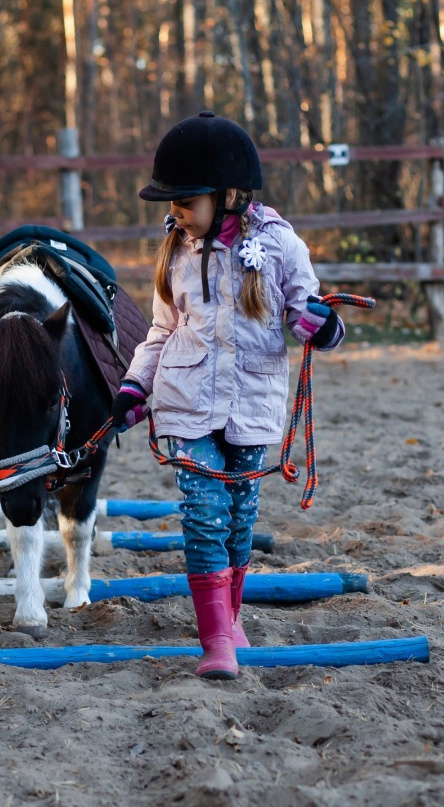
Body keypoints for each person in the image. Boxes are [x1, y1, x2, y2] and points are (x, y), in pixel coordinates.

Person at [111, 111, 345, 681]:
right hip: (186, 400)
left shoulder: (282, 245)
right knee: (202, 515)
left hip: (254, 403)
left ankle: (232, 616)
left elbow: (303, 310)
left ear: (228, 195)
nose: (175, 213)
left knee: (242, 517)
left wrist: (323, 325)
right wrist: (135, 386)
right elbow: (163, 331)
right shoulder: (175, 250)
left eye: (186, 202)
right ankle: (216, 639)